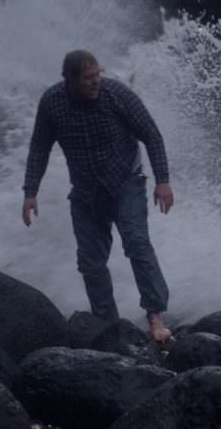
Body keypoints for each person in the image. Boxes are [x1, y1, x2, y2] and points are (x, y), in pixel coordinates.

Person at [22, 49, 174, 342]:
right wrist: (30, 192)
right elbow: (39, 148)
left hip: (127, 181)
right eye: (88, 78)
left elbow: (152, 135)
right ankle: (108, 325)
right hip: (85, 191)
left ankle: (155, 315)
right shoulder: (52, 103)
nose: (96, 82)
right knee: (90, 263)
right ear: (69, 79)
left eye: (97, 75)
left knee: (137, 242)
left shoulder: (117, 94)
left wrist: (163, 181)